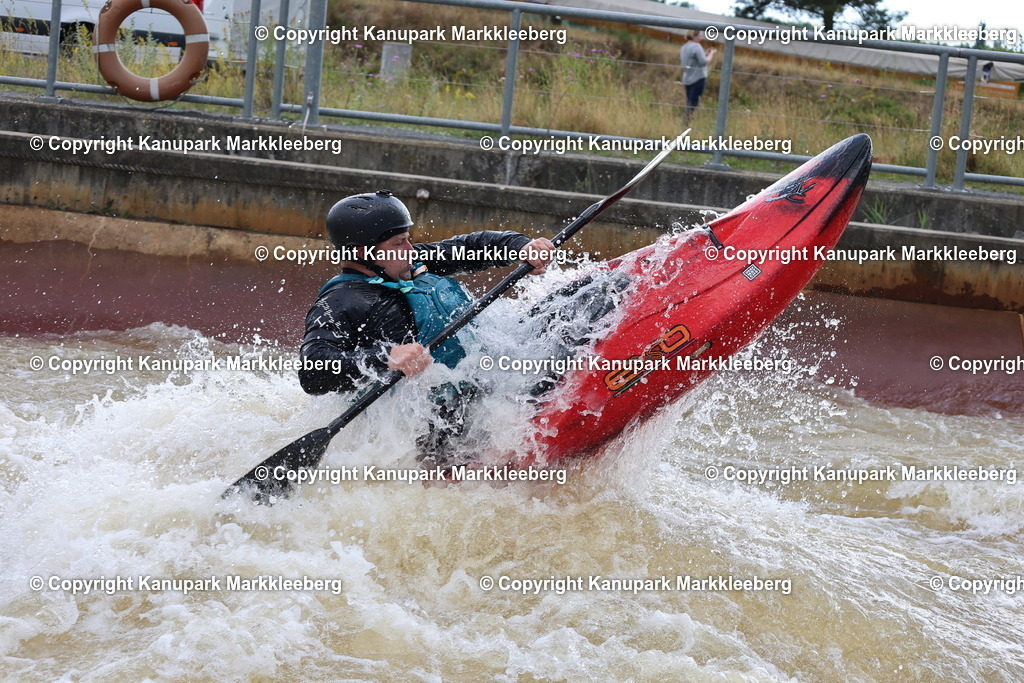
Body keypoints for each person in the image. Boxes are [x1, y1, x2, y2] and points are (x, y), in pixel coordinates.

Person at [298, 189, 554, 463]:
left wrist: (521, 247)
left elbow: (474, 246)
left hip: (482, 383)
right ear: (363, 252)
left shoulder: (409, 263)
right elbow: (314, 370)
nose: (411, 250)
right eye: (399, 243)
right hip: (429, 425)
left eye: (408, 240)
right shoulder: (341, 302)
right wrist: (386, 357)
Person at [680, 30, 716, 123]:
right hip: (698, 78)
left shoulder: (684, 47)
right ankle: (686, 124)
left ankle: (686, 123)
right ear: (694, 36)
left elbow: (694, 60)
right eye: (700, 36)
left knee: (689, 103)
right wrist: (711, 54)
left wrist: (705, 54)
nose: (701, 38)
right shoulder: (697, 46)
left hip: (687, 79)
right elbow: (704, 62)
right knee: (693, 105)